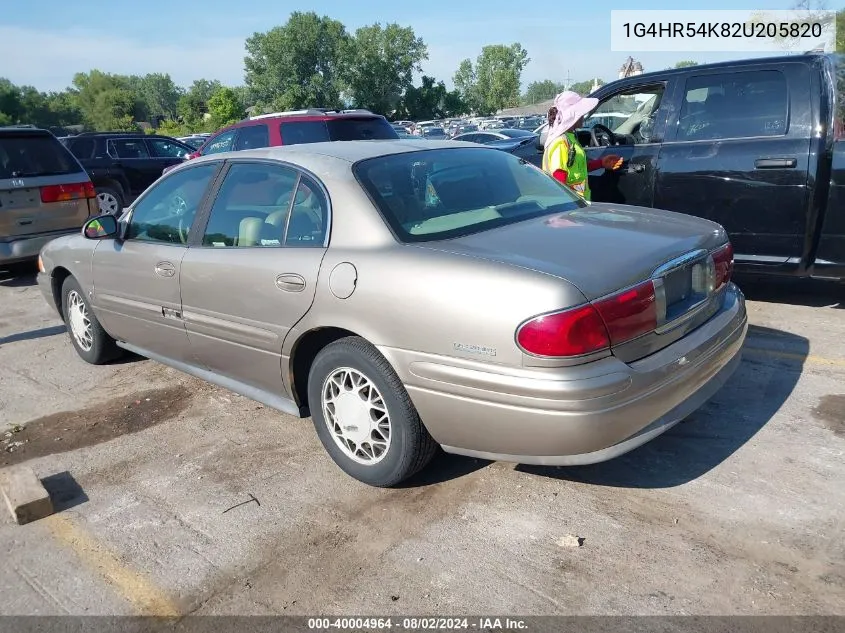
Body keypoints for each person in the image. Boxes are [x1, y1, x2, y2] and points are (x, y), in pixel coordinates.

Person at [542, 91, 623, 201]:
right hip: (569, 206)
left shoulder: (569, 138)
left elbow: (576, 169)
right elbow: (559, 177)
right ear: (572, 116)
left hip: (576, 204)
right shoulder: (561, 142)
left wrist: (601, 163)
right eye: (580, 113)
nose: (583, 116)